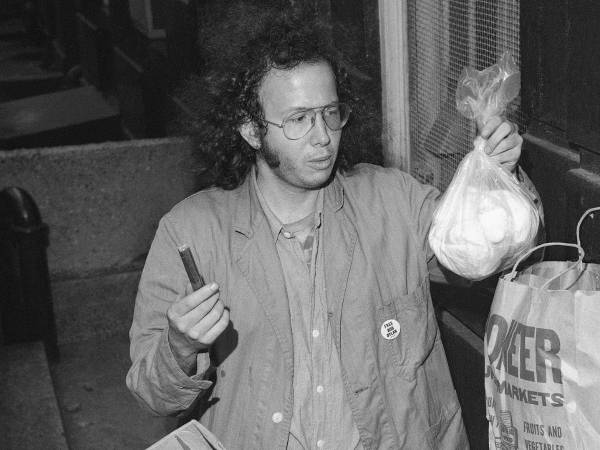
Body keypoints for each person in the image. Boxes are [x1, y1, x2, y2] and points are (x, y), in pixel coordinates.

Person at [127, 11, 539, 450]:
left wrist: (498, 181)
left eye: (330, 112)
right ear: (251, 130)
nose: (323, 136)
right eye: (298, 119)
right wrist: (179, 347)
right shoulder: (191, 232)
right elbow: (153, 397)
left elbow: (495, 257)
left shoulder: (394, 202)